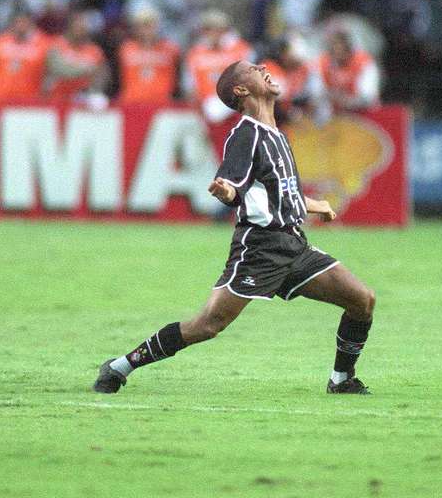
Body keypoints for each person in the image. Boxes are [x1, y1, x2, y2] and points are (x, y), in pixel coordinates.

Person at [93, 60, 376, 395]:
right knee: (208, 325)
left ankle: (341, 380)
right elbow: (233, 187)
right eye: (255, 69)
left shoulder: (277, 135)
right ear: (241, 90)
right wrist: (226, 191)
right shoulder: (245, 135)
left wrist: (315, 205)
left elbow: (278, 192)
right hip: (260, 249)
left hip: (294, 245)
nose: (264, 69)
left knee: (362, 300)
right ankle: (121, 365)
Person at [182, 9, 254, 124]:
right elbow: (189, 85)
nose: (213, 33)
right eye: (209, 29)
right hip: (206, 103)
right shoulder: (195, 53)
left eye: (218, 29)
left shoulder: (241, 49)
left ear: (225, 30)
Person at [0, 11, 50, 103]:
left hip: (29, 102)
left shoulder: (44, 44)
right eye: (17, 22)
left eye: (24, 22)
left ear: (31, 24)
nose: (20, 26)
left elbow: (48, 75)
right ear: (11, 24)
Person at [117, 8, 180, 106]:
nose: (146, 29)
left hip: (162, 103)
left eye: (150, 24)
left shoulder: (170, 49)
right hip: (132, 102)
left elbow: (178, 76)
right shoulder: (126, 49)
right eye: (142, 25)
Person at [262, 36, 329, 125]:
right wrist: (293, 113)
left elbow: (314, 96)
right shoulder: (270, 68)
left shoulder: (303, 69)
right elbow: (277, 103)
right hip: (271, 118)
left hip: (293, 115)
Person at [45, 11, 107, 104]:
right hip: (56, 99)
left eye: (84, 28)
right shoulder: (57, 45)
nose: (82, 31)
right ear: (70, 28)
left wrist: (94, 88)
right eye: (78, 28)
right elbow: (58, 69)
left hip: (83, 101)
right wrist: (88, 69)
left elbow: (102, 75)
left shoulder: (95, 51)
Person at [319, 29, 379, 113]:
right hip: (337, 116)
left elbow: (368, 98)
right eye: (332, 47)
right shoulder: (323, 62)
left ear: (348, 46)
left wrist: (345, 100)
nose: (336, 50)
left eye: (339, 45)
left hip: (365, 115)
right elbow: (317, 94)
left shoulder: (364, 62)